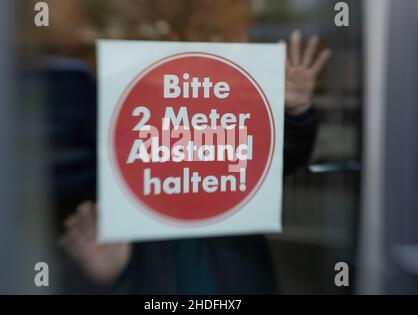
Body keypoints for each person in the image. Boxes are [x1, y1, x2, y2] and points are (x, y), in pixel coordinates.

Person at [59, 31, 331, 294]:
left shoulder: (217, 154)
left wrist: (296, 114)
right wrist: (107, 278)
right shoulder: (113, 189)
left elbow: (276, 155)